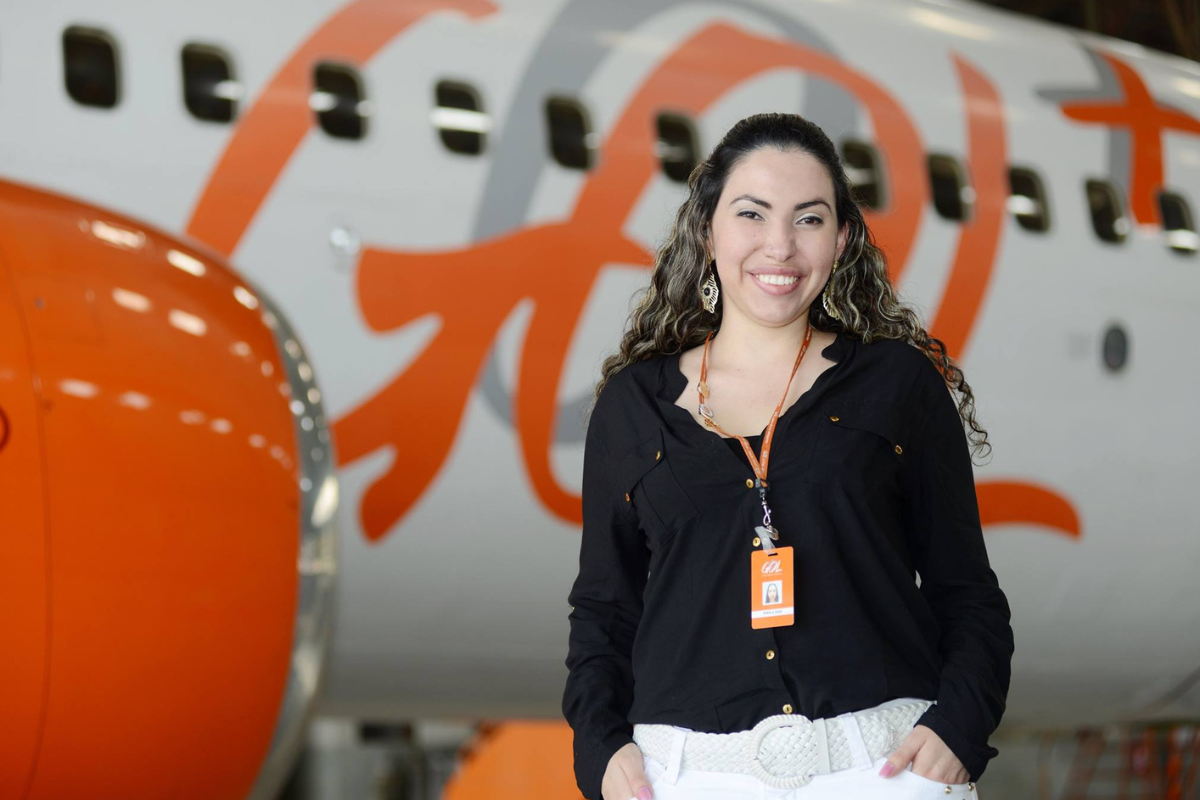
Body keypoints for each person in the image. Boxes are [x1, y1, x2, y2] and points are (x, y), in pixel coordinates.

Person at [562, 112, 1014, 800]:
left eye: (808, 219)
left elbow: (967, 590)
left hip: (883, 769)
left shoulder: (896, 386)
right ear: (707, 227)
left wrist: (960, 729)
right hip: (686, 777)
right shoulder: (633, 406)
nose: (779, 246)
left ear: (841, 239)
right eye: (752, 214)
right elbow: (603, 610)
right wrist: (600, 750)